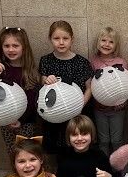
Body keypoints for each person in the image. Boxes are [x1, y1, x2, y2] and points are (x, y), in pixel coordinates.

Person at [0, 26, 40, 154]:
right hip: (5, 122)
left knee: (28, 153)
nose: (11, 49)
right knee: (12, 153)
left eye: (15, 45)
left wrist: (21, 120)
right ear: (1, 47)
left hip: (27, 123)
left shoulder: (30, 71)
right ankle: (15, 173)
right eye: (6, 46)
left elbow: (33, 100)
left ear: (24, 47)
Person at [38, 21, 93, 158]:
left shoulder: (81, 62)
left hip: (76, 115)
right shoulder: (46, 61)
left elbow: (89, 88)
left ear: (72, 39)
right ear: (50, 39)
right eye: (56, 38)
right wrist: (46, 80)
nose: (61, 42)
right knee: (55, 150)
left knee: (75, 148)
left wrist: (79, 106)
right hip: (53, 116)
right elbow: (42, 83)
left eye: (65, 38)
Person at [90, 26, 128, 154]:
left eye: (111, 42)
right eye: (103, 40)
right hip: (99, 109)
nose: (106, 44)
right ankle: (104, 168)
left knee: (117, 140)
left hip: (118, 109)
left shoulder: (121, 62)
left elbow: (126, 84)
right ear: (98, 42)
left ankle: (118, 170)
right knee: (103, 141)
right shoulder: (93, 62)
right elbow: (91, 85)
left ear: (116, 45)